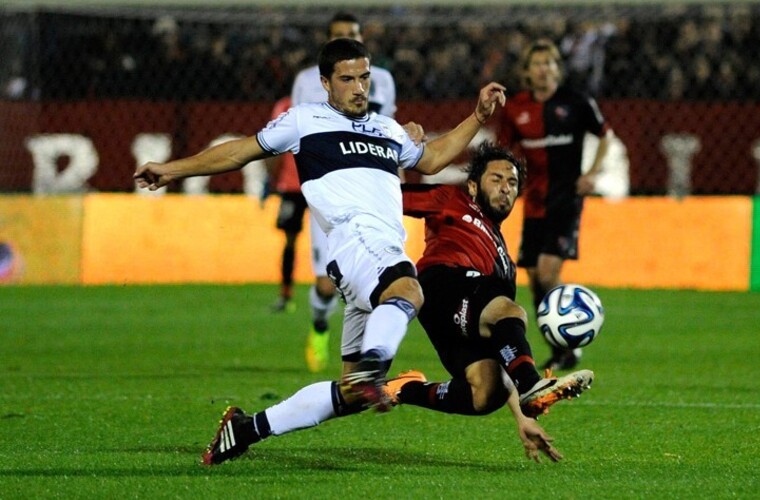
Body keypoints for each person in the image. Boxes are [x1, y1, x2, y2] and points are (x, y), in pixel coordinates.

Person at [134, 38, 507, 465]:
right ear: (326, 83)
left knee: (352, 394)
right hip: (358, 242)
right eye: (347, 79)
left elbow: (434, 158)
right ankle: (374, 362)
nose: (358, 87)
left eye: (364, 77)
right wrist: (170, 169)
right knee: (409, 290)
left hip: (369, 260)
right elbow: (239, 152)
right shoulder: (305, 121)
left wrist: (477, 116)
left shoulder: (387, 129)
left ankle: (246, 429)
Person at [380, 142, 593, 463]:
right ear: (473, 184)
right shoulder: (452, 199)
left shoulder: (505, 264)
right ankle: (532, 385)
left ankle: (404, 389)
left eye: (512, 183)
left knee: (486, 393)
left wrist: (525, 418)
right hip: (441, 282)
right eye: (496, 179)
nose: (505, 188)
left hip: (458, 311)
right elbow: (386, 196)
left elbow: (504, 346)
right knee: (508, 309)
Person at [290, 12, 398, 373]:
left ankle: (364, 361)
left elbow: (387, 131)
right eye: (338, 35)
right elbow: (301, 139)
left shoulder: (382, 80)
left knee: (383, 279)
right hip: (334, 192)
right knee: (324, 285)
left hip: (373, 196)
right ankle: (321, 328)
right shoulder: (305, 82)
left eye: (352, 34)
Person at [497, 38, 612, 371]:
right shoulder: (516, 108)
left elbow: (605, 135)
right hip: (534, 202)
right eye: (538, 63)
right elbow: (505, 151)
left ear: (557, 69)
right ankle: (561, 349)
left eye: (550, 63)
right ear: (528, 72)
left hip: (566, 200)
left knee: (548, 273)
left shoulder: (576, 102)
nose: (544, 69)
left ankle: (571, 334)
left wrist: (591, 173)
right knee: (534, 279)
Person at [265, 96, 303, 314]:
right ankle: (286, 294)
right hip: (291, 185)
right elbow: (273, 144)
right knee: (289, 242)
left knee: (333, 242)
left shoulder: (329, 102)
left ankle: (333, 294)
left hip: (320, 183)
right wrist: (271, 179)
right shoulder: (285, 105)